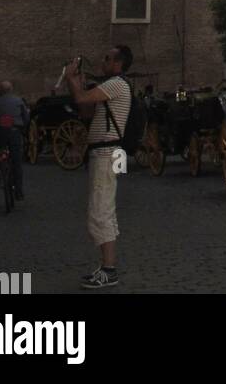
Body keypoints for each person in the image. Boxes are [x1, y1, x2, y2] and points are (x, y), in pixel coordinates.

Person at [67, 46, 133, 290]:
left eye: (106, 57)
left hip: (108, 152)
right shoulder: (111, 86)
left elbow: (81, 99)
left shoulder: (117, 84)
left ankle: (109, 270)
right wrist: (78, 83)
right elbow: (85, 110)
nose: (102, 61)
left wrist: (71, 80)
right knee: (106, 207)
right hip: (109, 152)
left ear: (118, 63)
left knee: (100, 209)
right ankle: (107, 266)